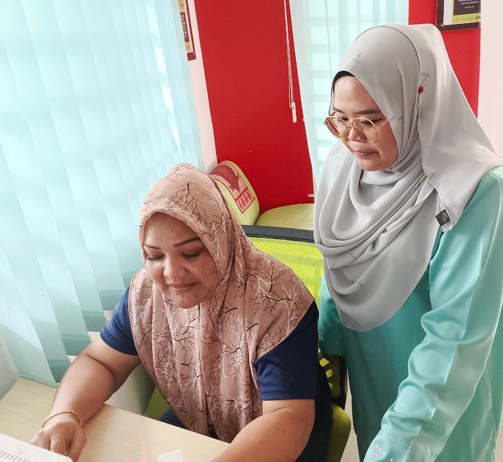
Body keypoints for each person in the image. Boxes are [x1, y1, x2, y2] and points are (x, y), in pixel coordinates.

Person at [314, 24, 503, 461]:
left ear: (416, 103)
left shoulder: (477, 191)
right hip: (372, 370)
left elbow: (456, 338)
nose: (351, 137)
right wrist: (326, 348)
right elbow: (338, 262)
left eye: (370, 120)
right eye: (340, 119)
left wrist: (395, 449)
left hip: (443, 397)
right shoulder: (342, 166)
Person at [31, 163, 332, 462]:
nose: (171, 273)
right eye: (154, 256)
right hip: (201, 421)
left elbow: (287, 417)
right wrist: (64, 416)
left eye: (190, 253)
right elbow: (101, 362)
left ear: (220, 241)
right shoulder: (147, 293)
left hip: (283, 436)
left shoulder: (277, 301)